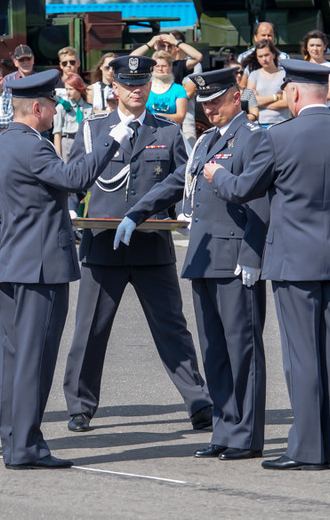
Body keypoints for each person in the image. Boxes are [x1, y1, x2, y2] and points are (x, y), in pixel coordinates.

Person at [203, 59, 330, 470]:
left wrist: (216, 175)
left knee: (302, 357)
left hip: (294, 263)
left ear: (295, 93)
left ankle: (307, 450)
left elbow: (244, 188)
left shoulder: (278, 136)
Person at [114, 67, 271, 460]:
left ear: (235, 96)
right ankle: (224, 429)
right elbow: (176, 182)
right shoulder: (205, 141)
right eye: (205, 103)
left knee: (242, 350)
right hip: (203, 257)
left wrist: (253, 256)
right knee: (214, 351)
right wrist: (137, 212)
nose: (210, 109)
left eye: (217, 101)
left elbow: (261, 201)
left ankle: (246, 436)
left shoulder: (252, 137)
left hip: (235, 261)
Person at [0, 70, 132, 470]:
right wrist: (112, 140)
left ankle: (14, 439)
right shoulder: (34, 146)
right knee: (36, 359)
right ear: (37, 108)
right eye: (51, 105)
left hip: (14, 265)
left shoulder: (1, 145)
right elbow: (75, 178)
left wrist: (5, 253)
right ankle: (26, 446)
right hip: (42, 268)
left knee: (15, 359)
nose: (55, 111)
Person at [63, 55, 212, 434]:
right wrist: (70, 212)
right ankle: (80, 405)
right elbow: (74, 178)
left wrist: (184, 214)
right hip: (102, 244)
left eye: (142, 83)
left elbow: (184, 180)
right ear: (114, 87)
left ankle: (198, 401)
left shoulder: (167, 130)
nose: (135, 90)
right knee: (90, 331)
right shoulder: (93, 128)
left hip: (151, 245)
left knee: (173, 329)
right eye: (128, 84)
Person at [246, 40, 290, 129]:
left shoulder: (285, 75)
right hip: (259, 124)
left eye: (266, 55)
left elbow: (286, 102)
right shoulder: (254, 75)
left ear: (273, 54)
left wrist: (260, 103)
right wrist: (276, 97)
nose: (264, 59)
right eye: (260, 56)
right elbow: (249, 101)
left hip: (281, 123)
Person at [130, 31, 203, 84]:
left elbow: (198, 56)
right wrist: (150, 43)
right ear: (155, 46)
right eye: (162, 46)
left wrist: (175, 42)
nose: (166, 49)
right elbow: (132, 59)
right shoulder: (149, 65)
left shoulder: (178, 65)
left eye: (169, 46)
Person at [53, 73, 93, 161]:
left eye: (71, 89)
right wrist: (58, 156)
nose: (68, 92)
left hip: (84, 142)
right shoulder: (61, 108)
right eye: (66, 89)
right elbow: (57, 133)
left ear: (79, 89)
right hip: (68, 142)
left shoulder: (88, 108)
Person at [147, 51, 187, 124]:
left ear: (171, 67)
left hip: (171, 128)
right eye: (157, 66)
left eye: (164, 66)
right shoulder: (146, 87)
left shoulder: (178, 89)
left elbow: (180, 117)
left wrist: (157, 116)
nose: (160, 69)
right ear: (153, 68)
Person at [301, 30, 330, 105]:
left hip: (326, 108)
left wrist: (306, 95)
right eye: (312, 45)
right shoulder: (301, 67)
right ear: (307, 48)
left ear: (324, 47)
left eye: (318, 45)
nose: (315, 49)